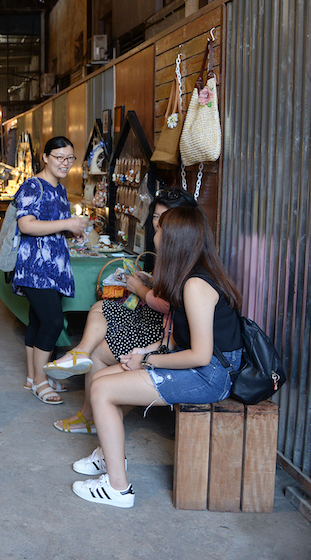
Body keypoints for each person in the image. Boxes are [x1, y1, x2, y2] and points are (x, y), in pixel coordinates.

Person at [71, 206, 243, 508]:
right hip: (200, 366)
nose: (155, 233)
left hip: (211, 376)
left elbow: (201, 355)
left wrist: (148, 362)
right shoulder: (188, 275)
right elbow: (181, 338)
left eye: (160, 228)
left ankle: (117, 488)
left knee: (102, 388)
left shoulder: (196, 284)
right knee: (101, 377)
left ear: (174, 239)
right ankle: (109, 455)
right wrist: (144, 351)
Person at [45, 188, 200, 434]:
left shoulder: (187, 265)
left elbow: (169, 305)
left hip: (162, 333)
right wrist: (149, 282)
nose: (158, 224)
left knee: (99, 348)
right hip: (159, 325)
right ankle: (80, 354)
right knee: (100, 307)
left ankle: (90, 414)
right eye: (157, 217)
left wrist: (139, 288)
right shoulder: (175, 252)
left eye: (164, 218)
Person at [13, 136, 89, 404]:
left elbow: (51, 227)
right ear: (45, 157)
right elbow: (27, 225)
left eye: (70, 158)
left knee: (38, 320)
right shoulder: (33, 186)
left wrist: (71, 232)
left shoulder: (59, 188)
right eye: (59, 157)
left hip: (53, 266)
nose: (65, 163)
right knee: (53, 321)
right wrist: (67, 222)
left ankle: (33, 376)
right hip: (35, 267)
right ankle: (41, 381)